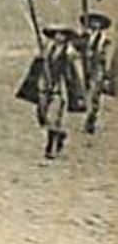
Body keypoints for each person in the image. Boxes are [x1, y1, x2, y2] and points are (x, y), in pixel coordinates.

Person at [38, 25, 85, 160]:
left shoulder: (69, 51)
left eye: (62, 35)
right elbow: (41, 64)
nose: (59, 37)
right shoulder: (49, 48)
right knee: (43, 114)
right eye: (57, 34)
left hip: (61, 86)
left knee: (54, 116)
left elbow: (75, 70)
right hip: (47, 84)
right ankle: (60, 135)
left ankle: (51, 145)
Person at [81, 11, 114, 133]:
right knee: (86, 94)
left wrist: (106, 74)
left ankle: (91, 120)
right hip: (85, 68)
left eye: (97, 22)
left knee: (94, 95)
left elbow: (106, 57)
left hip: (98, 69)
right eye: (92, 21)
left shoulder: (104, 40)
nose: (95, 24)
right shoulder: (85, 37)